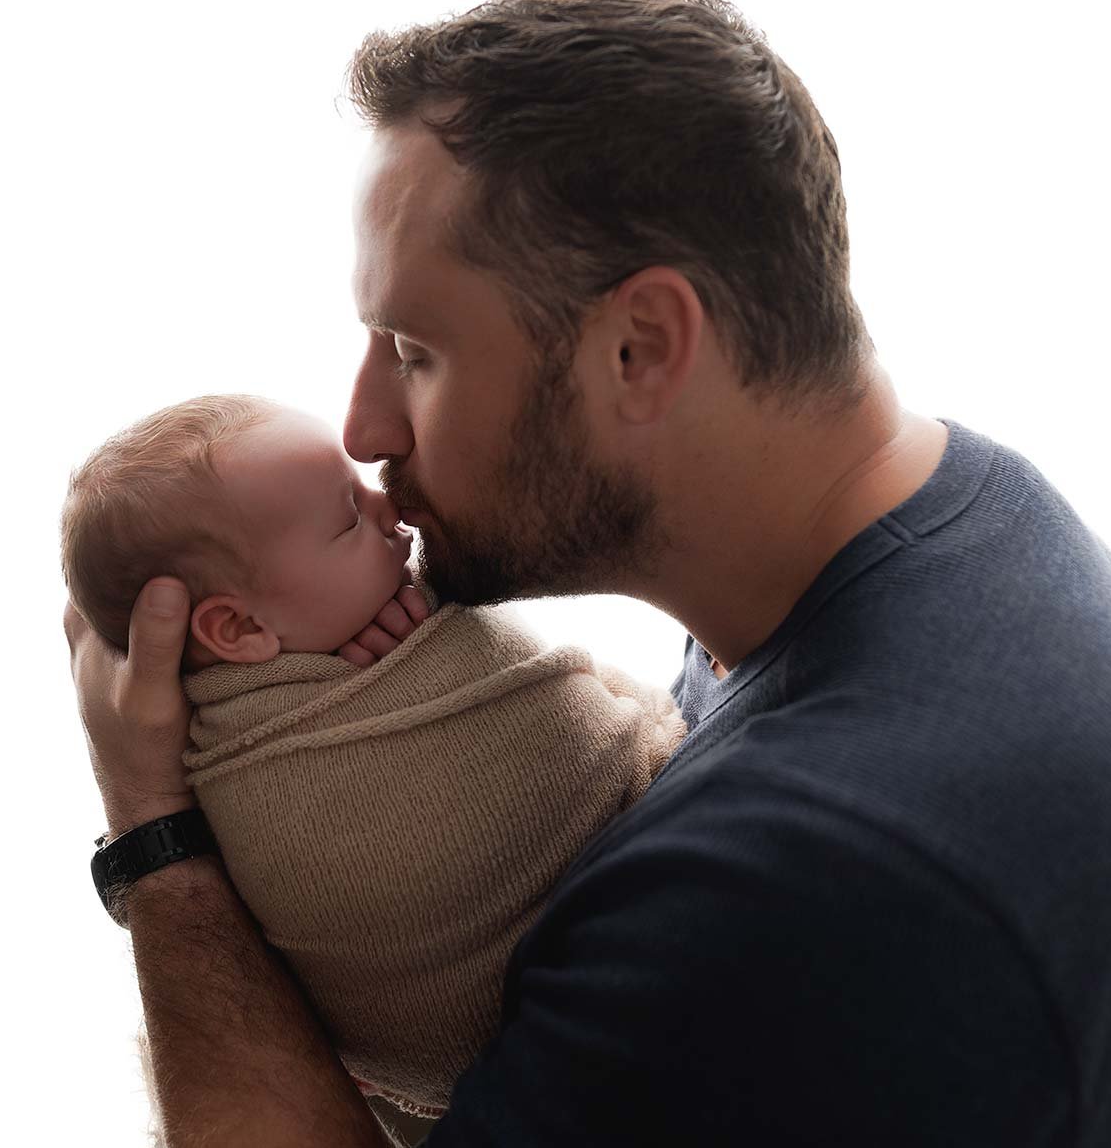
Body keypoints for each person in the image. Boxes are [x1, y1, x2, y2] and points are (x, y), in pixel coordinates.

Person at [63, 0, 1111, 1145]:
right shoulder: (964, 514)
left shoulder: (787, 890)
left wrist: (155, 835)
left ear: (640, 346)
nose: (368, 430)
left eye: (413, 350)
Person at [59, 395, 683, 1121]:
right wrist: (442, 648)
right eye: (348, 518)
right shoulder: (250, 766)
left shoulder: (295, 665)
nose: (387, 505)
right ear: (237, 628)